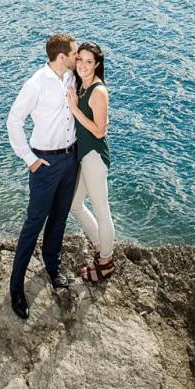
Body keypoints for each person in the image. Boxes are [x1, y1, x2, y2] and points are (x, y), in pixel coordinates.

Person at [4, 33, 80, 319]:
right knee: (34, 223)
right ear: (62, 57)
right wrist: (30, 159)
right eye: (74, 54)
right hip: (45, 163)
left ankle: (52, 265)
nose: (77, 58)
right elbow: (13, 120)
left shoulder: (71, 78)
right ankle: (16, 288)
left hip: (70, 159)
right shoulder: (36, 84)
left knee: (59, 217)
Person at [66, 40, 115, 282]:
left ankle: (106, 262)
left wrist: (75, 109)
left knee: (102, 212)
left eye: (88, 61)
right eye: (80, 60)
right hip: (83, 156)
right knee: (75, 204)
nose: (83, 65)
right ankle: (100, 247)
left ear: (96, 64)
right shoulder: (81, 85)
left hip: (94, 157)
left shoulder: (98, 91)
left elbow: (99, 131)